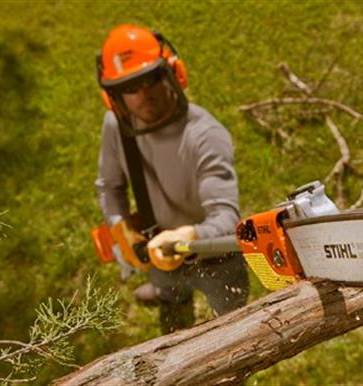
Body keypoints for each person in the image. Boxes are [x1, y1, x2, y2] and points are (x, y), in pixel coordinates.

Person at [94, 24, 249, 333]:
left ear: (173, 73)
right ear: (112, 97)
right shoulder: (117, 126)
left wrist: (187, 237)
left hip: (216, 254)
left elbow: (225, 218)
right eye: (129, 88)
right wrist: (119, 226)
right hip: (158, 247)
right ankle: (167, 295)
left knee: (234, 330)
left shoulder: (205, 136)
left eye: (150, 80)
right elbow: (109, 186)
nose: (142, 96)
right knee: (172, 319)